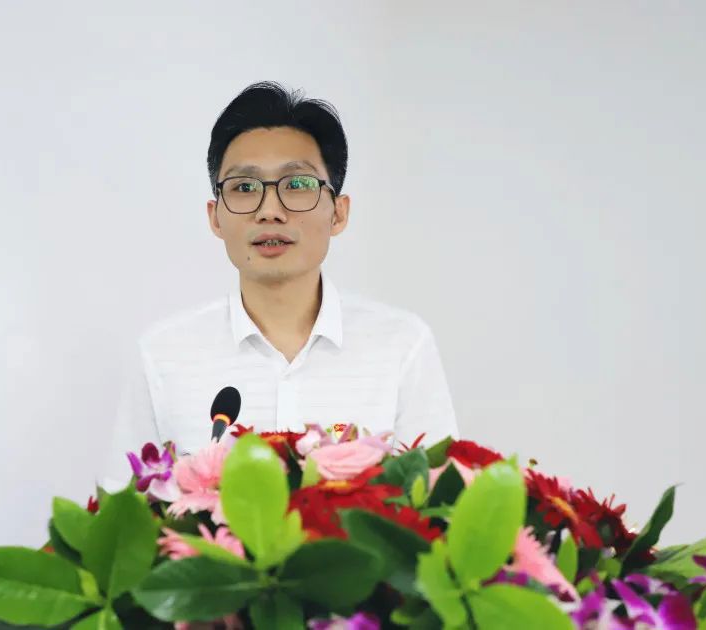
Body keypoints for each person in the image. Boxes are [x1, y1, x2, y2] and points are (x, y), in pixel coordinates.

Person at [101, 81, 458, 490]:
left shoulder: (402, 346)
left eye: (297, 185)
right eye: (244, 188)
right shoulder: (163, 355)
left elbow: (440, 506)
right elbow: (120, 511)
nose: (270, 211)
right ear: (215, 217)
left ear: (338, 213)